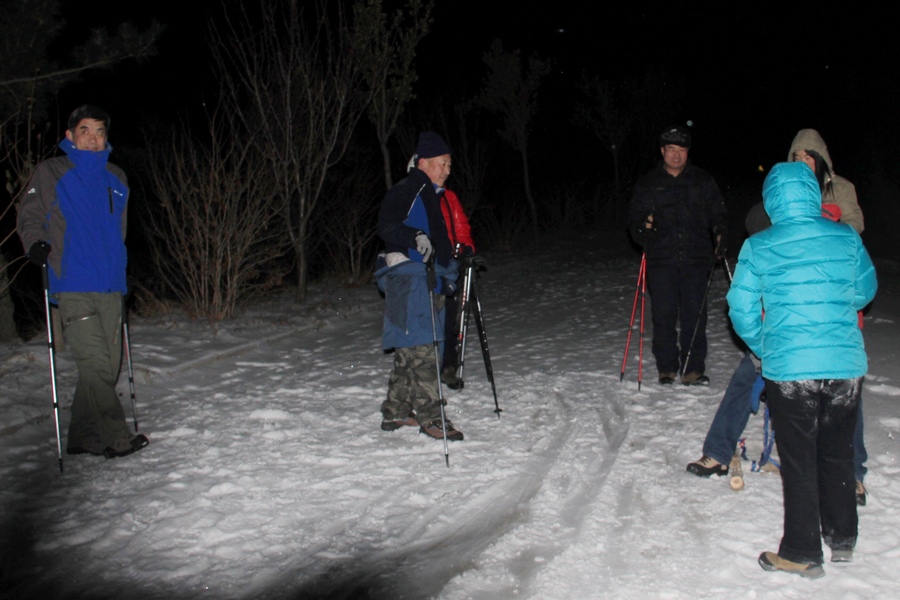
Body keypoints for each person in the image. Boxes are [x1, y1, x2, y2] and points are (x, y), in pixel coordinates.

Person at [686, 129, 870, 506]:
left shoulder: (840, 192)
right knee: (745, 377)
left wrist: (822, 224)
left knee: (845, 397)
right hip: (782, 317)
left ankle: (852, 474)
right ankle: (719, 452)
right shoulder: (781, 195)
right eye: (796, 155)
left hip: (829, 313)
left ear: (821, 162)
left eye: (809, 156)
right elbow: (759, 228)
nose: (802, 160)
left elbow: (855, 245)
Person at [727, 161, 876, 577]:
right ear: (813, 193)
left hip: (791, 370)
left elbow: (739, 309)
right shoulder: (845, 236)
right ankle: (843, 535)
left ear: (772, 201)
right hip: (844, 366)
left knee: (799, 459)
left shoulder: (759, 245)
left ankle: (802, 549)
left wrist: (765, 345)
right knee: (836, 450)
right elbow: (865, 288)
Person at [17, 105, 149, 459]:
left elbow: (117, 232)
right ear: (70, 135)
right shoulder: (53, 172)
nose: (93, 138)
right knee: (93, 364)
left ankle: (82, 436)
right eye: (86, 131)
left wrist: (122, 271)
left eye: (100, 132)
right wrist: (36, 245)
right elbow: (29, 215)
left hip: (110, 284)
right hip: (73, 281)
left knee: (108, 366)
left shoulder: (116, 177)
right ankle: (117, 437)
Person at [375, 131, 462, 441]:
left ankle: (396, 410)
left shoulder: (431, 194)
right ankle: (431, 416)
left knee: (411, 346)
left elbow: (439, 240)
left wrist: (451, 265)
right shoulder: (409, 188)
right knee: (424, 346)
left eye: (450, 164)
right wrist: (414, 237)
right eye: (442, 163)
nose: (447, 170)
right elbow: (387, 224)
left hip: (425, 278)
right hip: (409, 278)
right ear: (423, 162)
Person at [628, 125, 727, 385]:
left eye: (681, 150)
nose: (675, 155)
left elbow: (718, 213)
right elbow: (635, 223)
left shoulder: (702, 180)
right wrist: (643, 228)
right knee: (664, 315)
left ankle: (692, 370)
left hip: (696, 259)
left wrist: (720, 234)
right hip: (661, 260)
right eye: (670, 150)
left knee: (695, 316)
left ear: (687, 152)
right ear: (662, 151)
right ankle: (667, 368)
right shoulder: (649, 182)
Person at [438, 187, 477, 390]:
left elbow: (460, 226)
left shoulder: (448, 196)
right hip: (425, 265)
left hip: (449, 265)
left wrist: (467, 246)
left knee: (451, 316)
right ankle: (427, 370)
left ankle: (448, 368)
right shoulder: (414, 194)